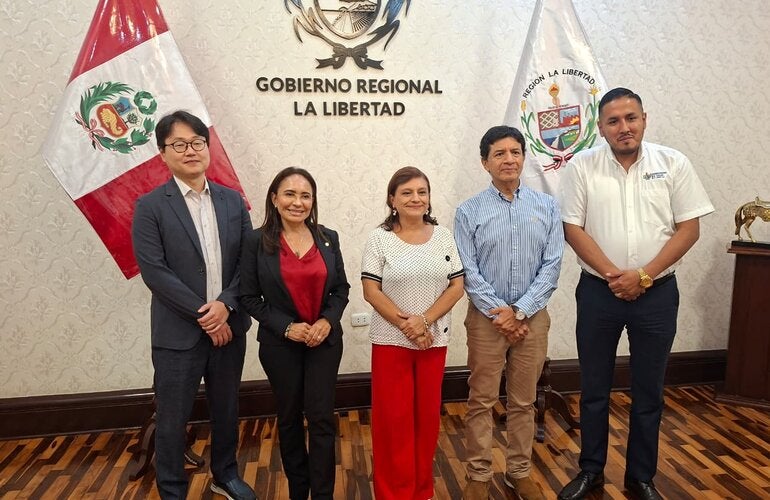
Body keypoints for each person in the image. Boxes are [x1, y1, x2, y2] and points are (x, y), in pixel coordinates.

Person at [557, 88, 714, 500]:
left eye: (631, 118)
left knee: (649, 390)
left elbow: (689, 228)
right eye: (613, 121)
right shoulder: (581, 166)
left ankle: (640, 476)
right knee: (593, 388)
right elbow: (573, 228)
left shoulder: (673, 163)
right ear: (600, 127)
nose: (623, 127)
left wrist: (643, 276)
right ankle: (591, 470)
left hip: (658, 295)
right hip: (598, 293)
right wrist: (615, 275)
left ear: (645, 118)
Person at [132, 111, 256, 500]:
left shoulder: (233, 201)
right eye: (179, 144)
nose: (191, 151)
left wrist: (225, 306)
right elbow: (155, 273)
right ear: (163, 154)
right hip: (178, 334)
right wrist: (206, 315)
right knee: (172, 419)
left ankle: (226, 474)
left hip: (230, 325)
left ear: (208, 148)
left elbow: (246, 264)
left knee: (226, 410)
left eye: (198, 143)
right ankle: (171, 488)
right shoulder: (150, 206)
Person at [455, 126, 564, 500]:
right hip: (486, 321)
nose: (509, 159)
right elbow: (468, 270)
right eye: (499, 153)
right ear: (485, 162)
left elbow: (552, 265)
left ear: (523, 158)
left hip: (532, 319)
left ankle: (519, 472)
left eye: (515, 152)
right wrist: (500, 313)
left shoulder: (547, 206)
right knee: (481, 400)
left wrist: (520, 312)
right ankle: (478, 475)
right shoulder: (468, 211)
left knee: (524, 400)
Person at [240, 167, 349, 500]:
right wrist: (287, 327)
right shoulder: (256, 241)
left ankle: (324, 495)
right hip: (279, 346)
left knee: (320, 419)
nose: (297, 202)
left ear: (313, 201)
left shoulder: (328, 237)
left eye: (305, 195)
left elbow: (341, 289)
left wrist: (327, 321)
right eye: (289, 194)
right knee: (288, 419)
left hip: (324, 342)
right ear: (274, 199)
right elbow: (248, 297)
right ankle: (298, 492)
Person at [361, 166, 466, 500]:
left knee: (426, 422)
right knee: (393, 424)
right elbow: (371, 290)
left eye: (422, 191)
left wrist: (424, 321)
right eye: (406, 192)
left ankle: (421, 492)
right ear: (392, 199)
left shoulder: (444, 236)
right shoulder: (380, 239)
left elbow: (456, 285)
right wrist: (408, 325)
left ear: (429, 198)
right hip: (392, 343)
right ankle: (394, 494)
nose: (415, 198)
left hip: (433, 342)